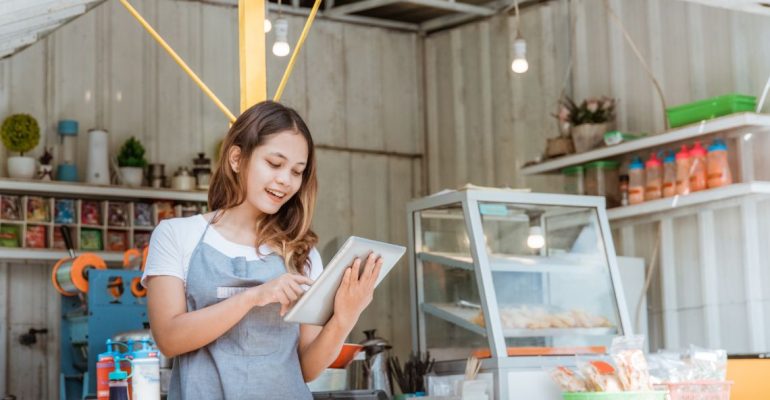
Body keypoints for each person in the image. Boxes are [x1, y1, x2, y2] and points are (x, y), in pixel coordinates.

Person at [142, 101, 382, 399]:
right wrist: (254, 296)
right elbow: (169, 338)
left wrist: (345, 317)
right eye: (274, 163)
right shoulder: (177, 236)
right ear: (236, 158)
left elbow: (307, 369)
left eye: (297, 171)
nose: (285, 180)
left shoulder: (302, 253)